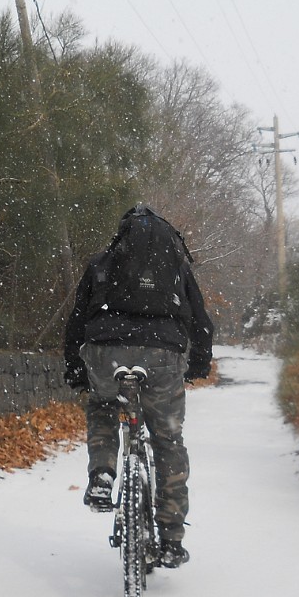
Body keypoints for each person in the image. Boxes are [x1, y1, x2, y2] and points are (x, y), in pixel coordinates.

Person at [64, 204, 213, 568]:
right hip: (163, 357)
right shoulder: (175, 265)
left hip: (106, 351)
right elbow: (201, 320)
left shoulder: (102, 262)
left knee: (102, 405)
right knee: (167, 440)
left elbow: (77, 318)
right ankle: (172, 537)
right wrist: (197, 364)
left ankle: (101, 474)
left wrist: (77, 368)